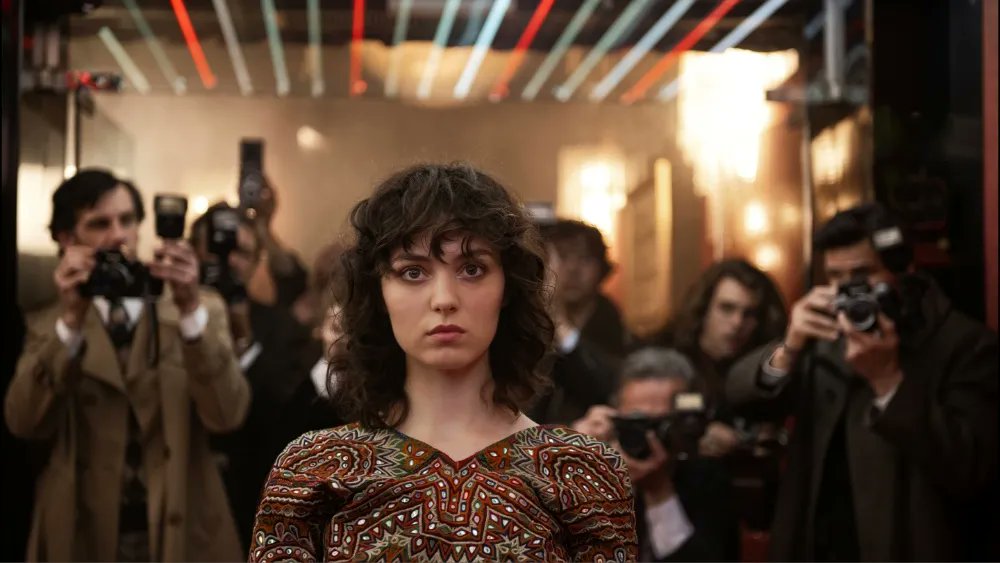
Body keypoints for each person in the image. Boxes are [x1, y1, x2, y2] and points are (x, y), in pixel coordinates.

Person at [249, 163, 638, 561]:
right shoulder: (314, 471)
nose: (444, 299)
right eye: (413, 272)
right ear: (379, 292)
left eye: (472, 269)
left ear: (507, 287)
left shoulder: (579, 473)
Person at [726, 202, 999, 561]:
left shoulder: (963, 343)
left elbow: (971, 469)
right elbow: (739, 398)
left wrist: (888, 382)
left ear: (904, 271)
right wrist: (788, 349)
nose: (849, 290)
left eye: (862, 274)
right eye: (836, 277)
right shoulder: (823, 335)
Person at [4, 169, 249, 560]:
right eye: (99, 224)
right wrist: (71, 322)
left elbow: (228, 415)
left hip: (182, 526)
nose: (118, 235)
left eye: (128, 220)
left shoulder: (197, 308)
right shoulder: (48, 322)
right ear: (67, 239)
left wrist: (189, 312)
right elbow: (24, 422)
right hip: (83, 531)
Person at [189, 203, 338, 551]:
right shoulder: (163, 321)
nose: (229, 261)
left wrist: (244, 341)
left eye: (242, 252)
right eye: (218, 248)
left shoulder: (282, 328)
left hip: (252, 496)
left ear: (258, 260)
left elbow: (281, 415)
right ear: (193, 252)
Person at [574, 347, 740, 562]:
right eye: (637, 423)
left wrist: (659, 493)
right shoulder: (597, 469)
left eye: (660, 424)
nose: (649, 437)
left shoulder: (706, 478)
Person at [652, 259, 787, 450]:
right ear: (704, 308)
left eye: (749, 314)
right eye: (727, 308)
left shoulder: (762, 372)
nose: (737, 323)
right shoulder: (664, 361)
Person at [530, 219, 629, 425]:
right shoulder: (528, 325)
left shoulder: (616, 330)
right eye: (563, 257)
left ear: (601, 268)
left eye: (585, 259)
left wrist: (558, 318)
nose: (573, 269)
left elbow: (610, 387)